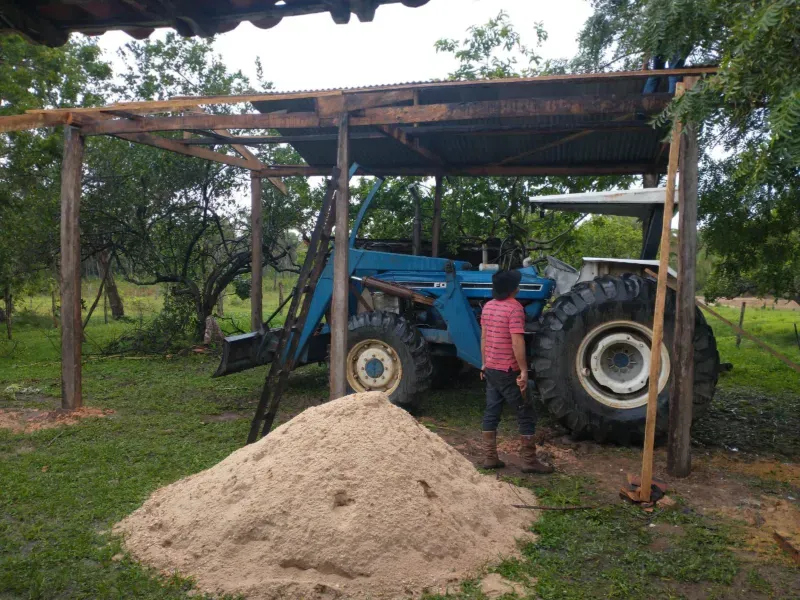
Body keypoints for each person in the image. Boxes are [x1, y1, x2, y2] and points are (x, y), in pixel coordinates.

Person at [480, 270, 554, 474]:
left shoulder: (488, 307)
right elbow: (517, 341)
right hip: (508, 370)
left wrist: (484, 363)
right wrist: (523, 370)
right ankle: (529, 461)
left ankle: (490, 458)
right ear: (514, 289)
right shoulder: (515, 309)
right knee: (526, 413)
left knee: (492, 410)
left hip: (492, 369)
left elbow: (484, 338)